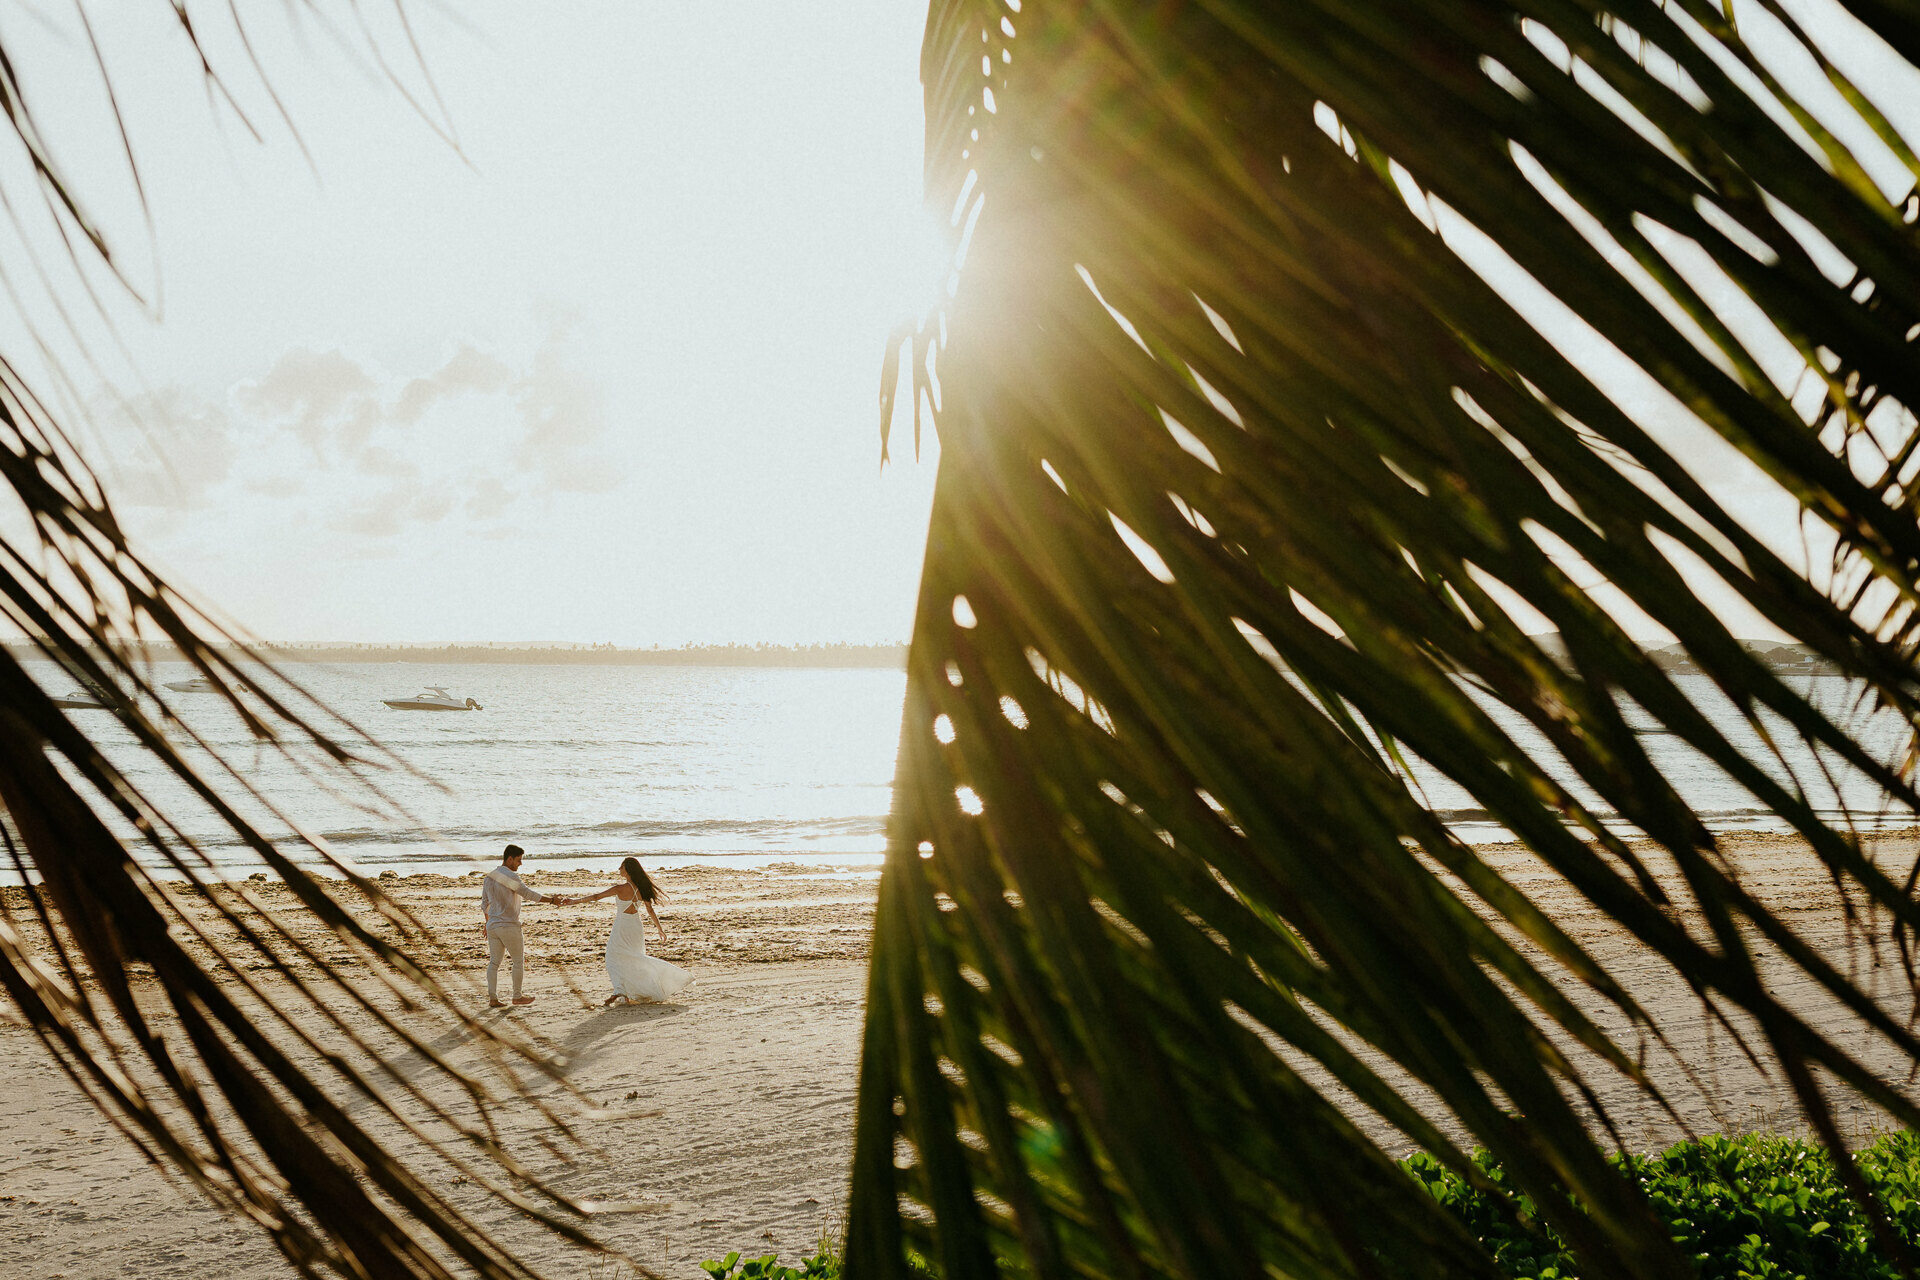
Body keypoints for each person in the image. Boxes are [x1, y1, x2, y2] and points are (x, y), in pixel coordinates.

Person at [571, 856, 692, 1006]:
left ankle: (620, 991)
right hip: (636, 926)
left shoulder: (619, 888)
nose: (619, 869)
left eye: (621, 867)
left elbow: (596, 897)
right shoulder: (642, 888)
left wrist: (574, 901)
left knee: (612, 958)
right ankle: (622, 993)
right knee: (634, 959)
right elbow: (650, 910)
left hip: (622, 925)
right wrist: (660, 929)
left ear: (627, 870)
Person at [480, 843, 568, 1008]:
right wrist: (552, 900)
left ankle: (493, 998)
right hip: (508, 924)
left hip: (492, 924)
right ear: (510, 858)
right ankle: (517, 996)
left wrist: (487, 923)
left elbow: (485, 904)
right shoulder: (509, 877)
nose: (520, 864)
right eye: (519, 860)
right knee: (518, 961)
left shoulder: (489, 877)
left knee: (494, 963)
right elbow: (528, 894)